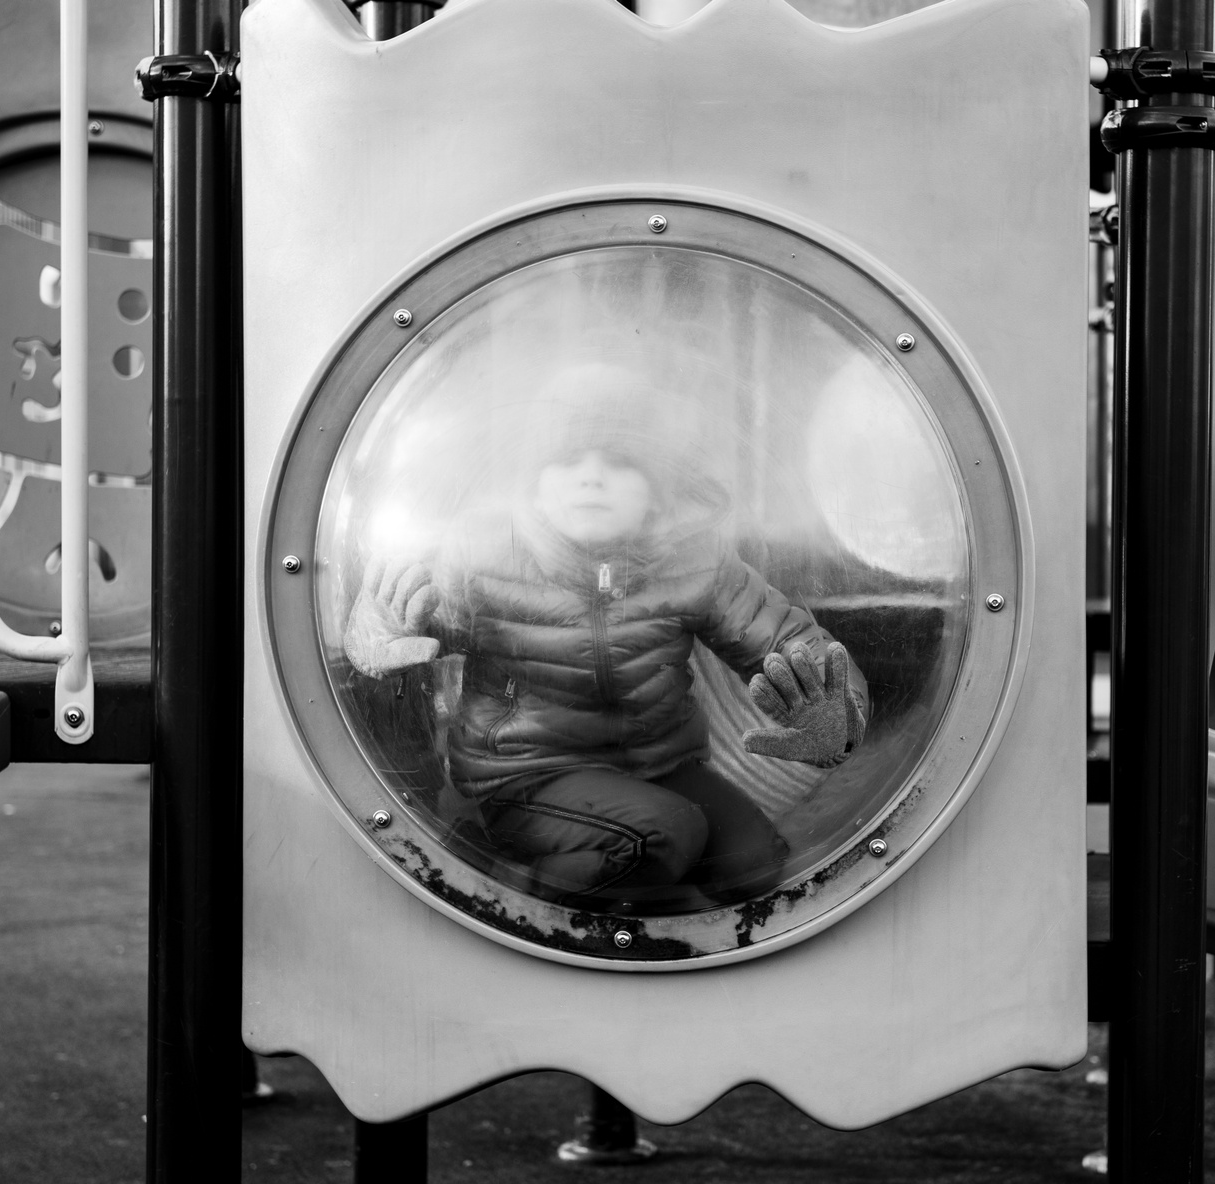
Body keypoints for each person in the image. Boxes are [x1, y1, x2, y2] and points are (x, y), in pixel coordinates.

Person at [343, 367, 868, 912]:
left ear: (657, 488)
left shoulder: (694, 559)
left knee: (756, 863)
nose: (591, 478)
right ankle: (508, 888)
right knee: (663, 834)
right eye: (567, 460)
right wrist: (378, 633)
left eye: (620, 462)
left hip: (659, 763)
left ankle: (655, 907)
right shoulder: (484, 556)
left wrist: (838, 715)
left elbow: (782, 637)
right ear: (533, 481)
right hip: (527, 773)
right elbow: (411, 618)